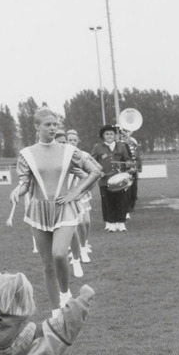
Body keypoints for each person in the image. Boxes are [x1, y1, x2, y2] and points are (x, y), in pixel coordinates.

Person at [9, 107, 102, 314]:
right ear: (37, 127)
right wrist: (17, 191)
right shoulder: (27, 154)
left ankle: (65, 294)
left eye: (55, 124)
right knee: (47, 265)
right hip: (38, 211)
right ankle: (55, 311)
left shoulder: (68, 151)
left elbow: (95, 171)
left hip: (64, 208)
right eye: (48, 124)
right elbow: (25, 183)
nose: (52, 128)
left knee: (59, 254)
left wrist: (76, 192)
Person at [90, 124, 134, 232]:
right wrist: (98, 172)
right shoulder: (98, 147)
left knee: (121, 201)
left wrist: (129, 164)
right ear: (103, 136)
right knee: (108, 202)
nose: (109, 136)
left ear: (115, 135)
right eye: (107, 134)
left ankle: (121, 223)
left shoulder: (121, 146)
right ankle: (111, 223)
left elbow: (127, 160)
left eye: (111, 134)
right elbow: (91, 162)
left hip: (120, 180)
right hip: (105, 181)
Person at [65, 129, 93, 268]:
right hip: (68, 194)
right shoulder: (62, 156)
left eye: (74, 140)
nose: (72, 142)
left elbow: (95, 171)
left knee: (86, 222)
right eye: (69, 140)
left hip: (81, 192)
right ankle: (79, 250)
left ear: (78, 141)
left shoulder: (84, 155)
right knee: (76, 224)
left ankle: (84, 244)